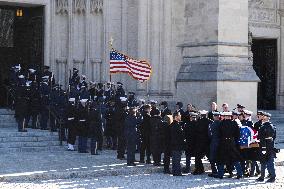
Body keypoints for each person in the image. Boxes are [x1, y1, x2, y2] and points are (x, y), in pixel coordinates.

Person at [216, 112, 243, 179]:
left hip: (223, 142)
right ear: (230, 116)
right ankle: (239, 174)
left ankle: (220, 175)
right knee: (235, 158)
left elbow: (218, 134)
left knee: (221, 159)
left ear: (224, 116)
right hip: (231, 142)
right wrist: (234, 140)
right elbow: (238, 134)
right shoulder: (234, 123)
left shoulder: (221, 123)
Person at [256, 112, 277, 183]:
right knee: (268, 161)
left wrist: (264, 147)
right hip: (270, 145)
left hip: (264, 146)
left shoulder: (263, 127)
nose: (262, 117)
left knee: (266, 161)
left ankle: (270, 176)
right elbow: (274, 137)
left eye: (264, 116)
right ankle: (265, 176)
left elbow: (261, 138)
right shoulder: (272, 126)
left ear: (266, 118)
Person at [192, 110, 212, 175]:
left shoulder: (198, 121)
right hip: (207, 142)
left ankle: (199, 169)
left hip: (199, 142)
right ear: (206, 115)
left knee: (197, 157)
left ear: (201, 115)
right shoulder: (210, 121)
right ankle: (214, 169)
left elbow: (195, 132)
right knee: (210, 157)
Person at [170, 112, 184, 176]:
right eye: (179, 115)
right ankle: (177, 172)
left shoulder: (171, 125)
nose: (180, 116)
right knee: (177, 159)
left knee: (174, 159)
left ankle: (174, 171)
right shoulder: (177, 125)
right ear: (176, 117)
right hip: (177, 144)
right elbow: (181, 136)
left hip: (173, 144)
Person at [208, 111, 221, 177]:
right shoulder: (221, 124)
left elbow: (209, 135)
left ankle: (214, 171)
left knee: (212, 158)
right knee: (219, 157)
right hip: (221, 142)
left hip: (213, 142)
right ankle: (220, 171)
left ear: (213, 117)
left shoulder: (211, 125)